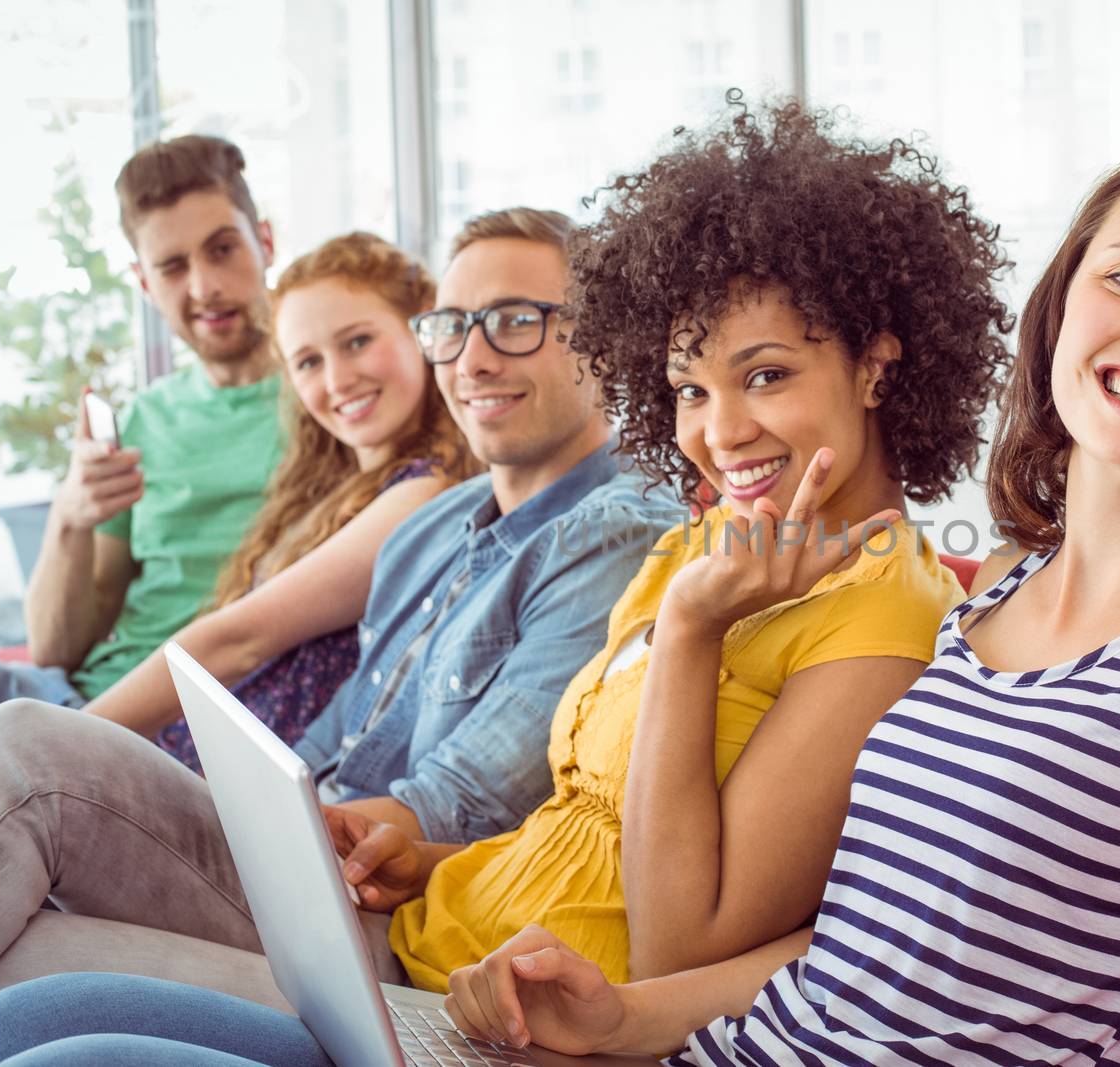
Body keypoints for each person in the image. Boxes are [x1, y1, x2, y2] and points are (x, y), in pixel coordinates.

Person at [0, 133, 1120, 1067]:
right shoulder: (979, 604)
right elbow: (837, 949)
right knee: (39, 1028)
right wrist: (627, 1017)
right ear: (1064, 310)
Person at [360, 93, 1010, 997]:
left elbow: (681, 951)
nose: (721, 430)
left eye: (766, 376)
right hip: (424, 939)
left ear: (876, 366)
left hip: (525, 1027)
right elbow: (585, 821)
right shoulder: (709, 538)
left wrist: (694, 628)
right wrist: (428, 864)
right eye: (690, 390)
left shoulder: (886, 621)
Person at [0, 208, 687, 1003]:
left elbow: (462, 805)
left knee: (31, 751)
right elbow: (334, 737)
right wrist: (270, 802)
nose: (474, 358)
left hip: (393, 921)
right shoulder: (431, 526)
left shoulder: (621, 532)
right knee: (14, 967)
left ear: (603, 338)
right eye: (452, 328)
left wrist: (282, 821)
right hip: (316, 863)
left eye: (517, 322)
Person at [79, 231, 481, 768]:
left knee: (15, 726)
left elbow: (238, 640)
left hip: (205, 790)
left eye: (358, 341)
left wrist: (61, 745)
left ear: (423, 329)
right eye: (309, 362)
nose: (338, 379)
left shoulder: (423, 494)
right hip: (176, 752)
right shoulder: (336, 485)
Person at [0, 134, 285, 710]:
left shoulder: (333, 402)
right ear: (145, 284)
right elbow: (55, 649)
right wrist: (70, 518)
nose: (203, 287)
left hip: (173, 718)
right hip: (76, 694)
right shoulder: (147, 417)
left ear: (264, 241)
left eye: (223, 249)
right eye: (172, 267)